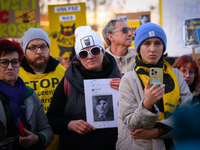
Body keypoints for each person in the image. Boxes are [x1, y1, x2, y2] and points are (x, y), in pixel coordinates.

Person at [116, 23, 193, 150]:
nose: (153, 49)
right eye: (147, 43)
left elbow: (187, 114)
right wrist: (147, 104)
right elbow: (132, 126)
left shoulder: (176, 75)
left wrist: (158, 131)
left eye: (158, 43)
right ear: (139, 48)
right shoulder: (128, 80)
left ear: (163, 47)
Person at [47, 26, 121, 150]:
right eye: (83, 53)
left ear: (103, 51)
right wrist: (70, 125)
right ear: (78, 58)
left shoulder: (121, 79)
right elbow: (50, 120)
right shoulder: (67, 82)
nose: (90, 56)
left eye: (95, 50)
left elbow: (135, 117)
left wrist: (126, 92)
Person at [0, 39, 53, 150]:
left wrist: (37, 139)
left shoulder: (30, 95)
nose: (10, 67)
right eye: (4, 62)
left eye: (14, 62)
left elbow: (47, 130)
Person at [19, 28, 66, 150]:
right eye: (33, 47)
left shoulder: (62, 72)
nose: (39, 51)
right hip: (28, 141)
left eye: (43, 46)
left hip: (60, 141)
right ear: (24, 51)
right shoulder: (16, 74)